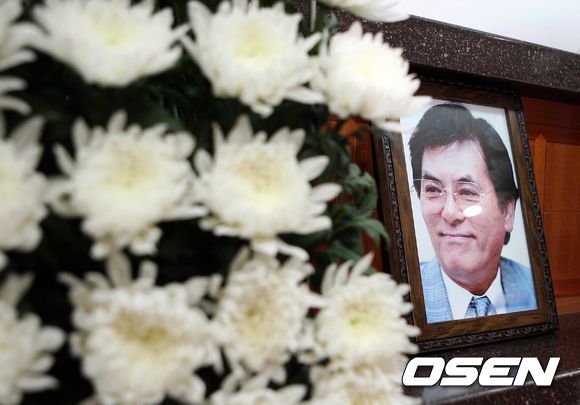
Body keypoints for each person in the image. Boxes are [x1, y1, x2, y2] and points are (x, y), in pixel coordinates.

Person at [408, 103, 537, 324]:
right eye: (433, 189)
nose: (450, 213)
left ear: (508, 211)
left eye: (467, 192)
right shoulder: (399, 299)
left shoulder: (534, 289)